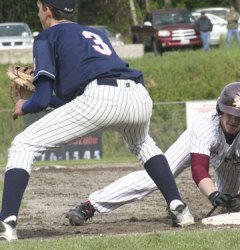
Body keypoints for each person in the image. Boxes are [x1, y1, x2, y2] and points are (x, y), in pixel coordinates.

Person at [0, 0, 194, 241]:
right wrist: (48, 99)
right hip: (137, 95)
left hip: (100, 96)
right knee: (143, 144)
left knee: (23, 144)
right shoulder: (94, 33)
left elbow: (40, 101)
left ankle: (6, 224)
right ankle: (179, 208)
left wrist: (23, 106)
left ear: (47, 11)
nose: (39, 13)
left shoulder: (47, 36)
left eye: (39, 8)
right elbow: (79, 104)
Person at [66, 82, 240, 226]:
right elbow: (198, 169)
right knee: (153, 178)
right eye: (229, 113)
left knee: (229, 202)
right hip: (193, 146)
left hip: (233, 159)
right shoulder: (205, 126)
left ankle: (229, 201)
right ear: (220, 109)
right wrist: (213, 194)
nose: (233, 120)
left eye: (239, 116)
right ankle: (90, 206)